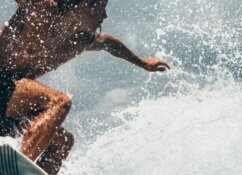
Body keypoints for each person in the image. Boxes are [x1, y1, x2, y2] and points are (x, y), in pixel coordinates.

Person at [0, 0, 170, 174]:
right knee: (60, 102)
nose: (105, 16)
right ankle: (14, 172)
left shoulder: (79, 40)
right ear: (87, 4)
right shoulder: (44, 9)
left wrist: (143, 63)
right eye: (102, 7)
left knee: (63, 142)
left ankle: (20, 168)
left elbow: (107, 43)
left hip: (9, 101)